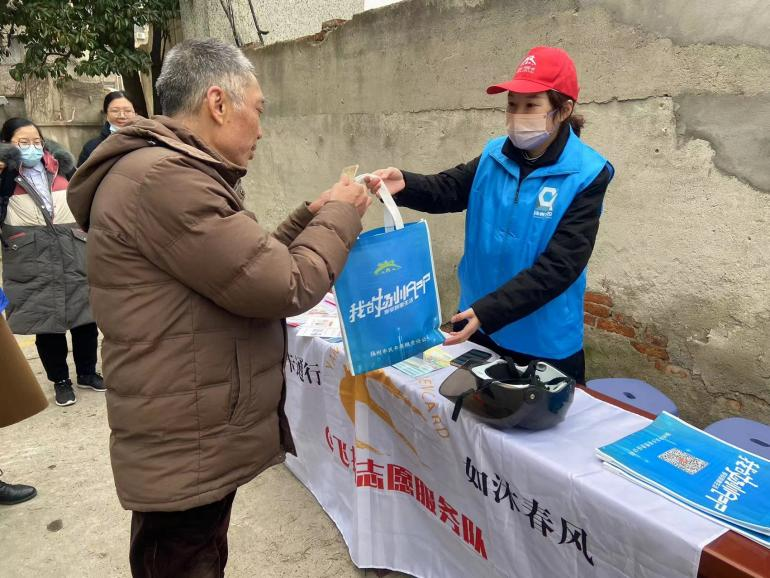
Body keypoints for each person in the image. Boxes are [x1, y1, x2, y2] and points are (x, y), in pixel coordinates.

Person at [67, 38, 371, 578]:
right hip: (185, 435)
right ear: (218, 103)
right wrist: (343, 216)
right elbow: (287, 283)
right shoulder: (167, 180)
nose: (262, 129)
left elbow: (241, 267)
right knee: (185, 559)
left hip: (187, 424)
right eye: (259, 109)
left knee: (194, 553)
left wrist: (312, 215)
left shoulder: (160, 172)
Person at [366, 46, 614, 384]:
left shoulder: (587, 173)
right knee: (463, 414)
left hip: (541, 341)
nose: (518, 115)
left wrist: (489, 311)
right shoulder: (495, 154)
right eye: (512, 105)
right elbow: (449, 189)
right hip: (477, 326)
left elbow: (561, 266)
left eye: (531, 106)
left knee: (539, 418)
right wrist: (405, 183)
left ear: (564, 109)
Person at [0, 119, 104, 407]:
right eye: (23, 142)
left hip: (72, 249)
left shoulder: (61, 166)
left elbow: (85, 200)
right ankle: (60, 380)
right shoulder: (5, 175)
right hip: (30, 255)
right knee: (46, 321)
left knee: (85, 317)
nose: (32, 147)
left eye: (36, 141)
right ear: (7, 144)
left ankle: (87, 373)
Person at [77, 91, 136, 166]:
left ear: (135, 113)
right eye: (115, 111)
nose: (122, 116)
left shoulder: (147, 140)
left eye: (127, 111)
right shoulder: (92, 147)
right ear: (106, 115)